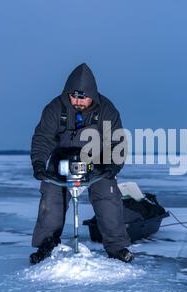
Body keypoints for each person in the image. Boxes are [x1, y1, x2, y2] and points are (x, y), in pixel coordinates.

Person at [29, 63, 133, 264]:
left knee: (108, 197)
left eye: (82, 97)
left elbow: (116, 141)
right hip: (62, 160)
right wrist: (39, 163)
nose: (78, 101)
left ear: (92, 95)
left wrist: (112, 165)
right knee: (51, 199)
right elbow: (43, 138)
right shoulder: (54, 108)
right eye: (74, 96)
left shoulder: (107, 110)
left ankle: (117, 247)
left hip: (97, 161)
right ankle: (46, 246)